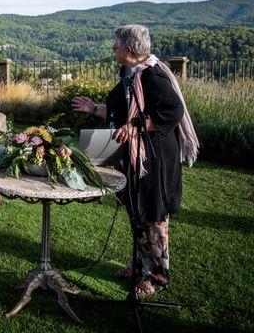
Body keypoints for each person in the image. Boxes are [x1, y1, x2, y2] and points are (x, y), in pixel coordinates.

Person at [71, 24, 199, 297]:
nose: (113, 49)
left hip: (153, 161)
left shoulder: (152, 76)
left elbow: (173, 110)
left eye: (115, 45)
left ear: (129, 49)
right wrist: (94, 108)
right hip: (134, 157)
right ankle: (140, 264)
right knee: (137, 211)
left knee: (152, 215)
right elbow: (122, 112)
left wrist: (138, 127)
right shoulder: (131, 75)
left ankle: (155, 276)